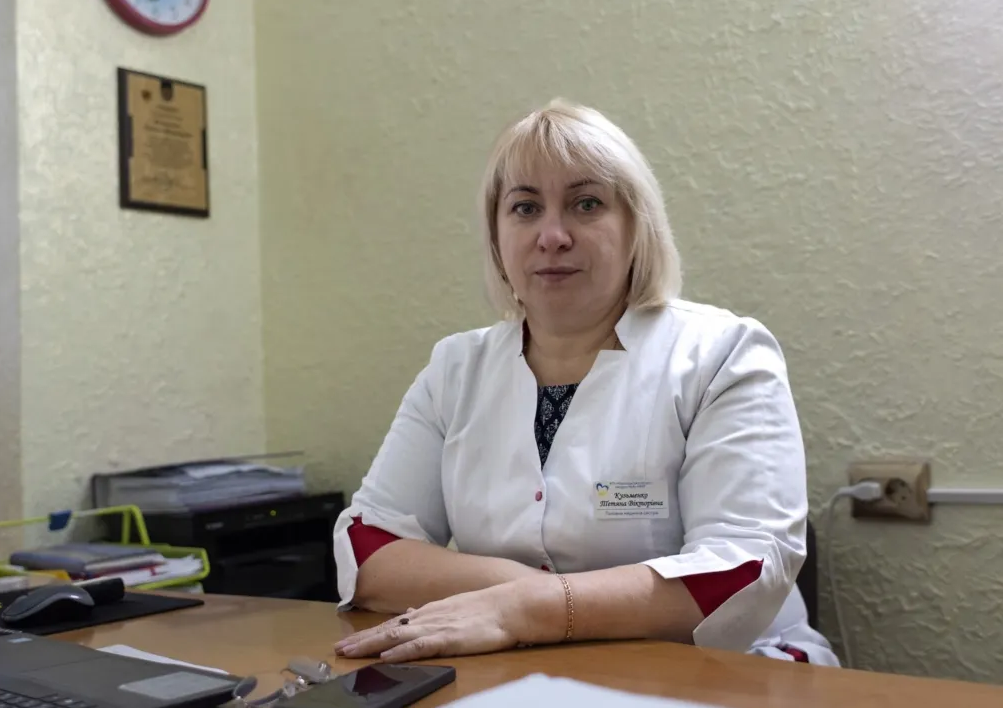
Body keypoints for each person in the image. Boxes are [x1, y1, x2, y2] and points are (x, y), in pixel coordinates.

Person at [331, 99, 837, 667]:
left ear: (635, 227)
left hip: (722, 674)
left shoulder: (723, 355)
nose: (552, 235)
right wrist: (520, 594)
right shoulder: (455, 369)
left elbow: (742, 567)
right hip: (522, 671)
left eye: (586, 204)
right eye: (524, 208)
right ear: (498, 239)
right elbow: (365, 547)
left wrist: (527, 609)